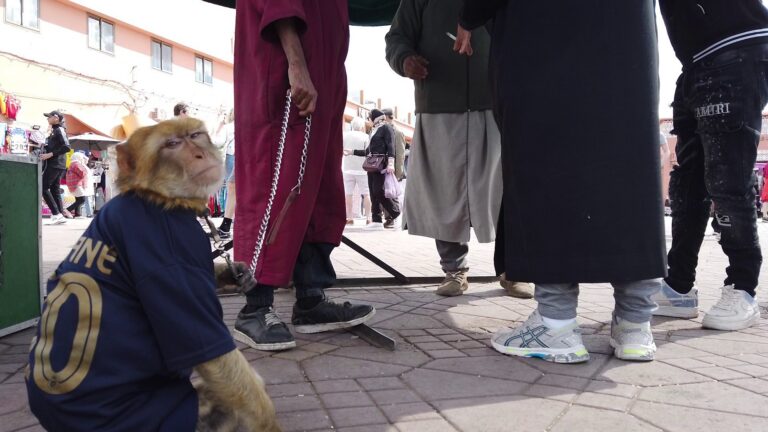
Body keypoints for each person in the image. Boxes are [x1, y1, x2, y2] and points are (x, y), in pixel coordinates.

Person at [458, 1, 665, 363]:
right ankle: (635, 323)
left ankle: (556, 323)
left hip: (543, 30)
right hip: (627, 30)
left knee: (548, 153)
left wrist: (468, 17)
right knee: (627, 151)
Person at [232, 0, 375, 351]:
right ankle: (255, 306)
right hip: (284, 72)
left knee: (321, 190)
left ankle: (311, 299)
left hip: (324, 76)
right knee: (276, 185)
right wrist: (296, 65)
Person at [386, 0, 532, 298]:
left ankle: (513, 269)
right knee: (445, 191)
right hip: (438, 107)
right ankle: (454, 270)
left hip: (495, 105)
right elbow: (396, 38)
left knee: (504, 191)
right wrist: (405, 60)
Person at [653, 0, 768, 331]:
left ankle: (742, 287)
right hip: (696, 61)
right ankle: (678, 287)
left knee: (727, 178)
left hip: (734, 46)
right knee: (687, 181)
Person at [350, 109, 400, 229]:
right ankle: (376, 220)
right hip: (371, 164)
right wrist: (352, 152)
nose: (369, 119)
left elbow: (391, 145)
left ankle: (396, 213)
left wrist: (391, 163)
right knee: (373, 192)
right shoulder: (373, 130)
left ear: (375, 117)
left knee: (378, 190)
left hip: (381, 163)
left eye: (370, 116)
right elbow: (368, 151)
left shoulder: (386, 128)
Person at [40, 110, 71, 225]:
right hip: (58, 164)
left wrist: (50, 154)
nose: (47, 119)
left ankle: (56, 214)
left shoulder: (59, 130)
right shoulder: (55, 130)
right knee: (54, 189)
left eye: (49, 117)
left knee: (43, 187)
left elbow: (67, 147)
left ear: (56, 118)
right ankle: (60, 215)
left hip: (56, 164)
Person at [342, 116, 372, 224]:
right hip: (362, 169)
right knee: (366, 193)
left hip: (348, 168)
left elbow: (341, 149)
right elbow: (368, 153)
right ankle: (368, 218)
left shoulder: (345, 135)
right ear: (361, 126)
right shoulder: (365, 137)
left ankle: (349, 217)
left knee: (348, 194)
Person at [215, 109, 236, 239]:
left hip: (232, 156)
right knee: (234, 190)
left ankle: (226, 226)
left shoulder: (229, 127)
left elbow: (218, 142)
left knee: (232, 189)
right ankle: (227, 225)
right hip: (239, 156)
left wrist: (218, 127)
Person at [65, 152, 91, 217]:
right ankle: (67, 210)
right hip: (77, 184)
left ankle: (77, 214)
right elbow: (82, 173)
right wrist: (84, 167)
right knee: (82, 199)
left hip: (73, 184)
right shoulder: (77, 164)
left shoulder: (72, 164)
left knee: (78, 199)